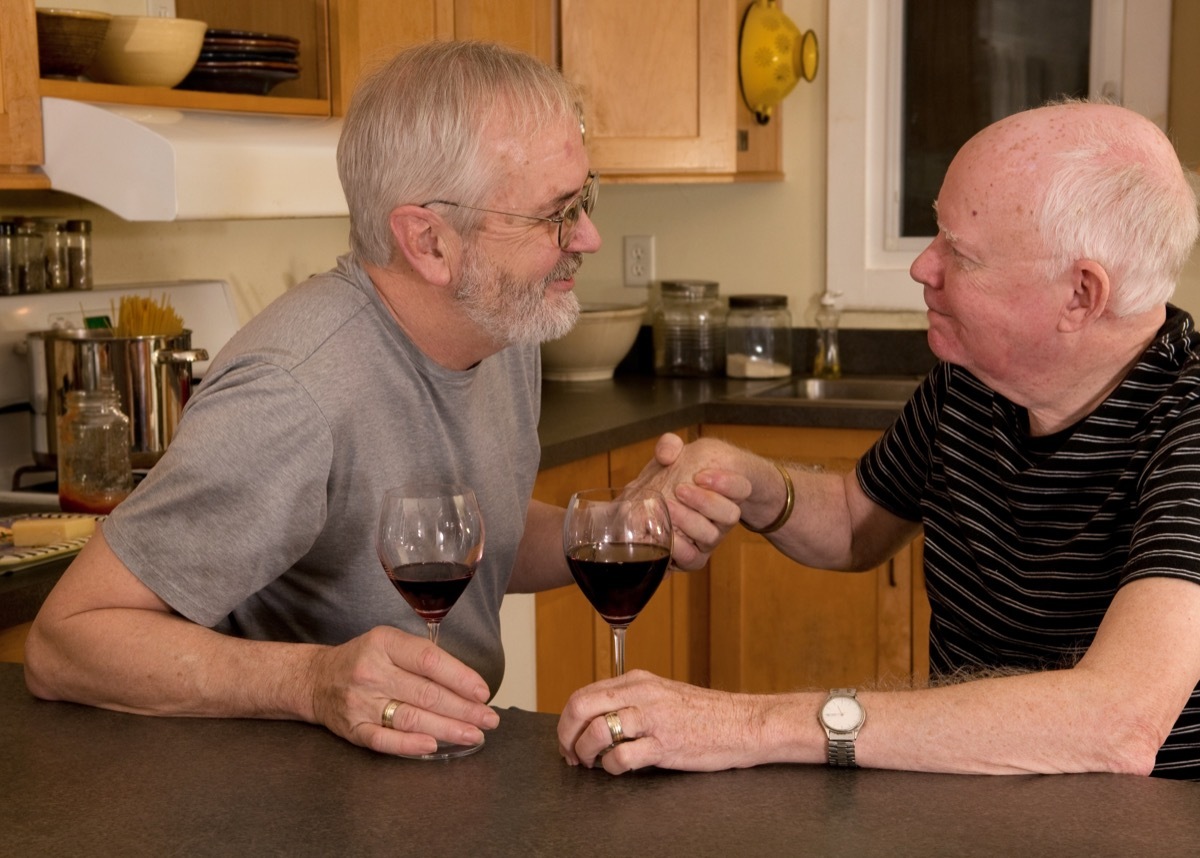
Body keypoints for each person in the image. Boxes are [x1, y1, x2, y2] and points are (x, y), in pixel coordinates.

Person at [22, 41, 716, 758]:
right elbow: (66, 639)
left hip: (432, 773)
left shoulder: (501, 325)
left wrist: (617, 524)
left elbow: (470, 543)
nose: (591, 237)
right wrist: (314, 680)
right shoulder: (293, 394)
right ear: (429, 242)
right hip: (298, 801)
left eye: (585, 200)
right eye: (555, 215)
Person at [560, 99, 1200, 780]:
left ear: (1080, 294)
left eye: (962, 253)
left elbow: (1117, 723)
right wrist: (748, 480)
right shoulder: (972, 383)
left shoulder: (1186, 428)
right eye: (936, 233)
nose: (924, 267)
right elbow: (853, 523)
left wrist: (747, 726)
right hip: (967, 810)